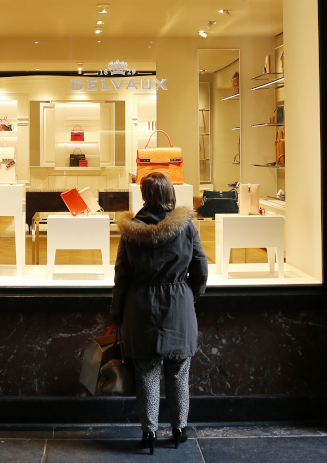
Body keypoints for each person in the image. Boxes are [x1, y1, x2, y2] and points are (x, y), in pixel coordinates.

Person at [111, 172, 208, 454]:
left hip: (141, 307)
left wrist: (117, 313)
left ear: (145, 196)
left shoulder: (131, 231)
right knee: (178, 372)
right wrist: (188, 296)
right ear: (170, 195)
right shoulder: (186, 227)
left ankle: (149, 433)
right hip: (178, 305)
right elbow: (200, 270)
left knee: (146, 373)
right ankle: (179, 430)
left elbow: (122, 276)